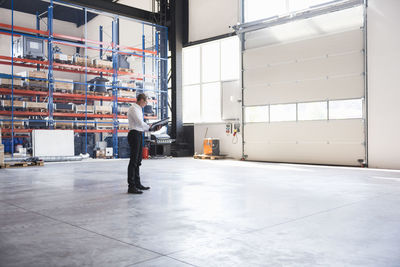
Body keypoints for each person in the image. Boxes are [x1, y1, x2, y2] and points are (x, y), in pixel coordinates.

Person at [126, 93, 152, 194]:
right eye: (145, 101)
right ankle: (131, 186)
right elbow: (139, 123)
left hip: (139, 134)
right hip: (134, 134)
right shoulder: (133, 109)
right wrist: (149, 127)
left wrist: (150, 127)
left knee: (138, 160)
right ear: (141, 100)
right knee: (133, 161)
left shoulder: (139, 109)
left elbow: (141, 125)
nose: (146, 104)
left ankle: (137, 183)